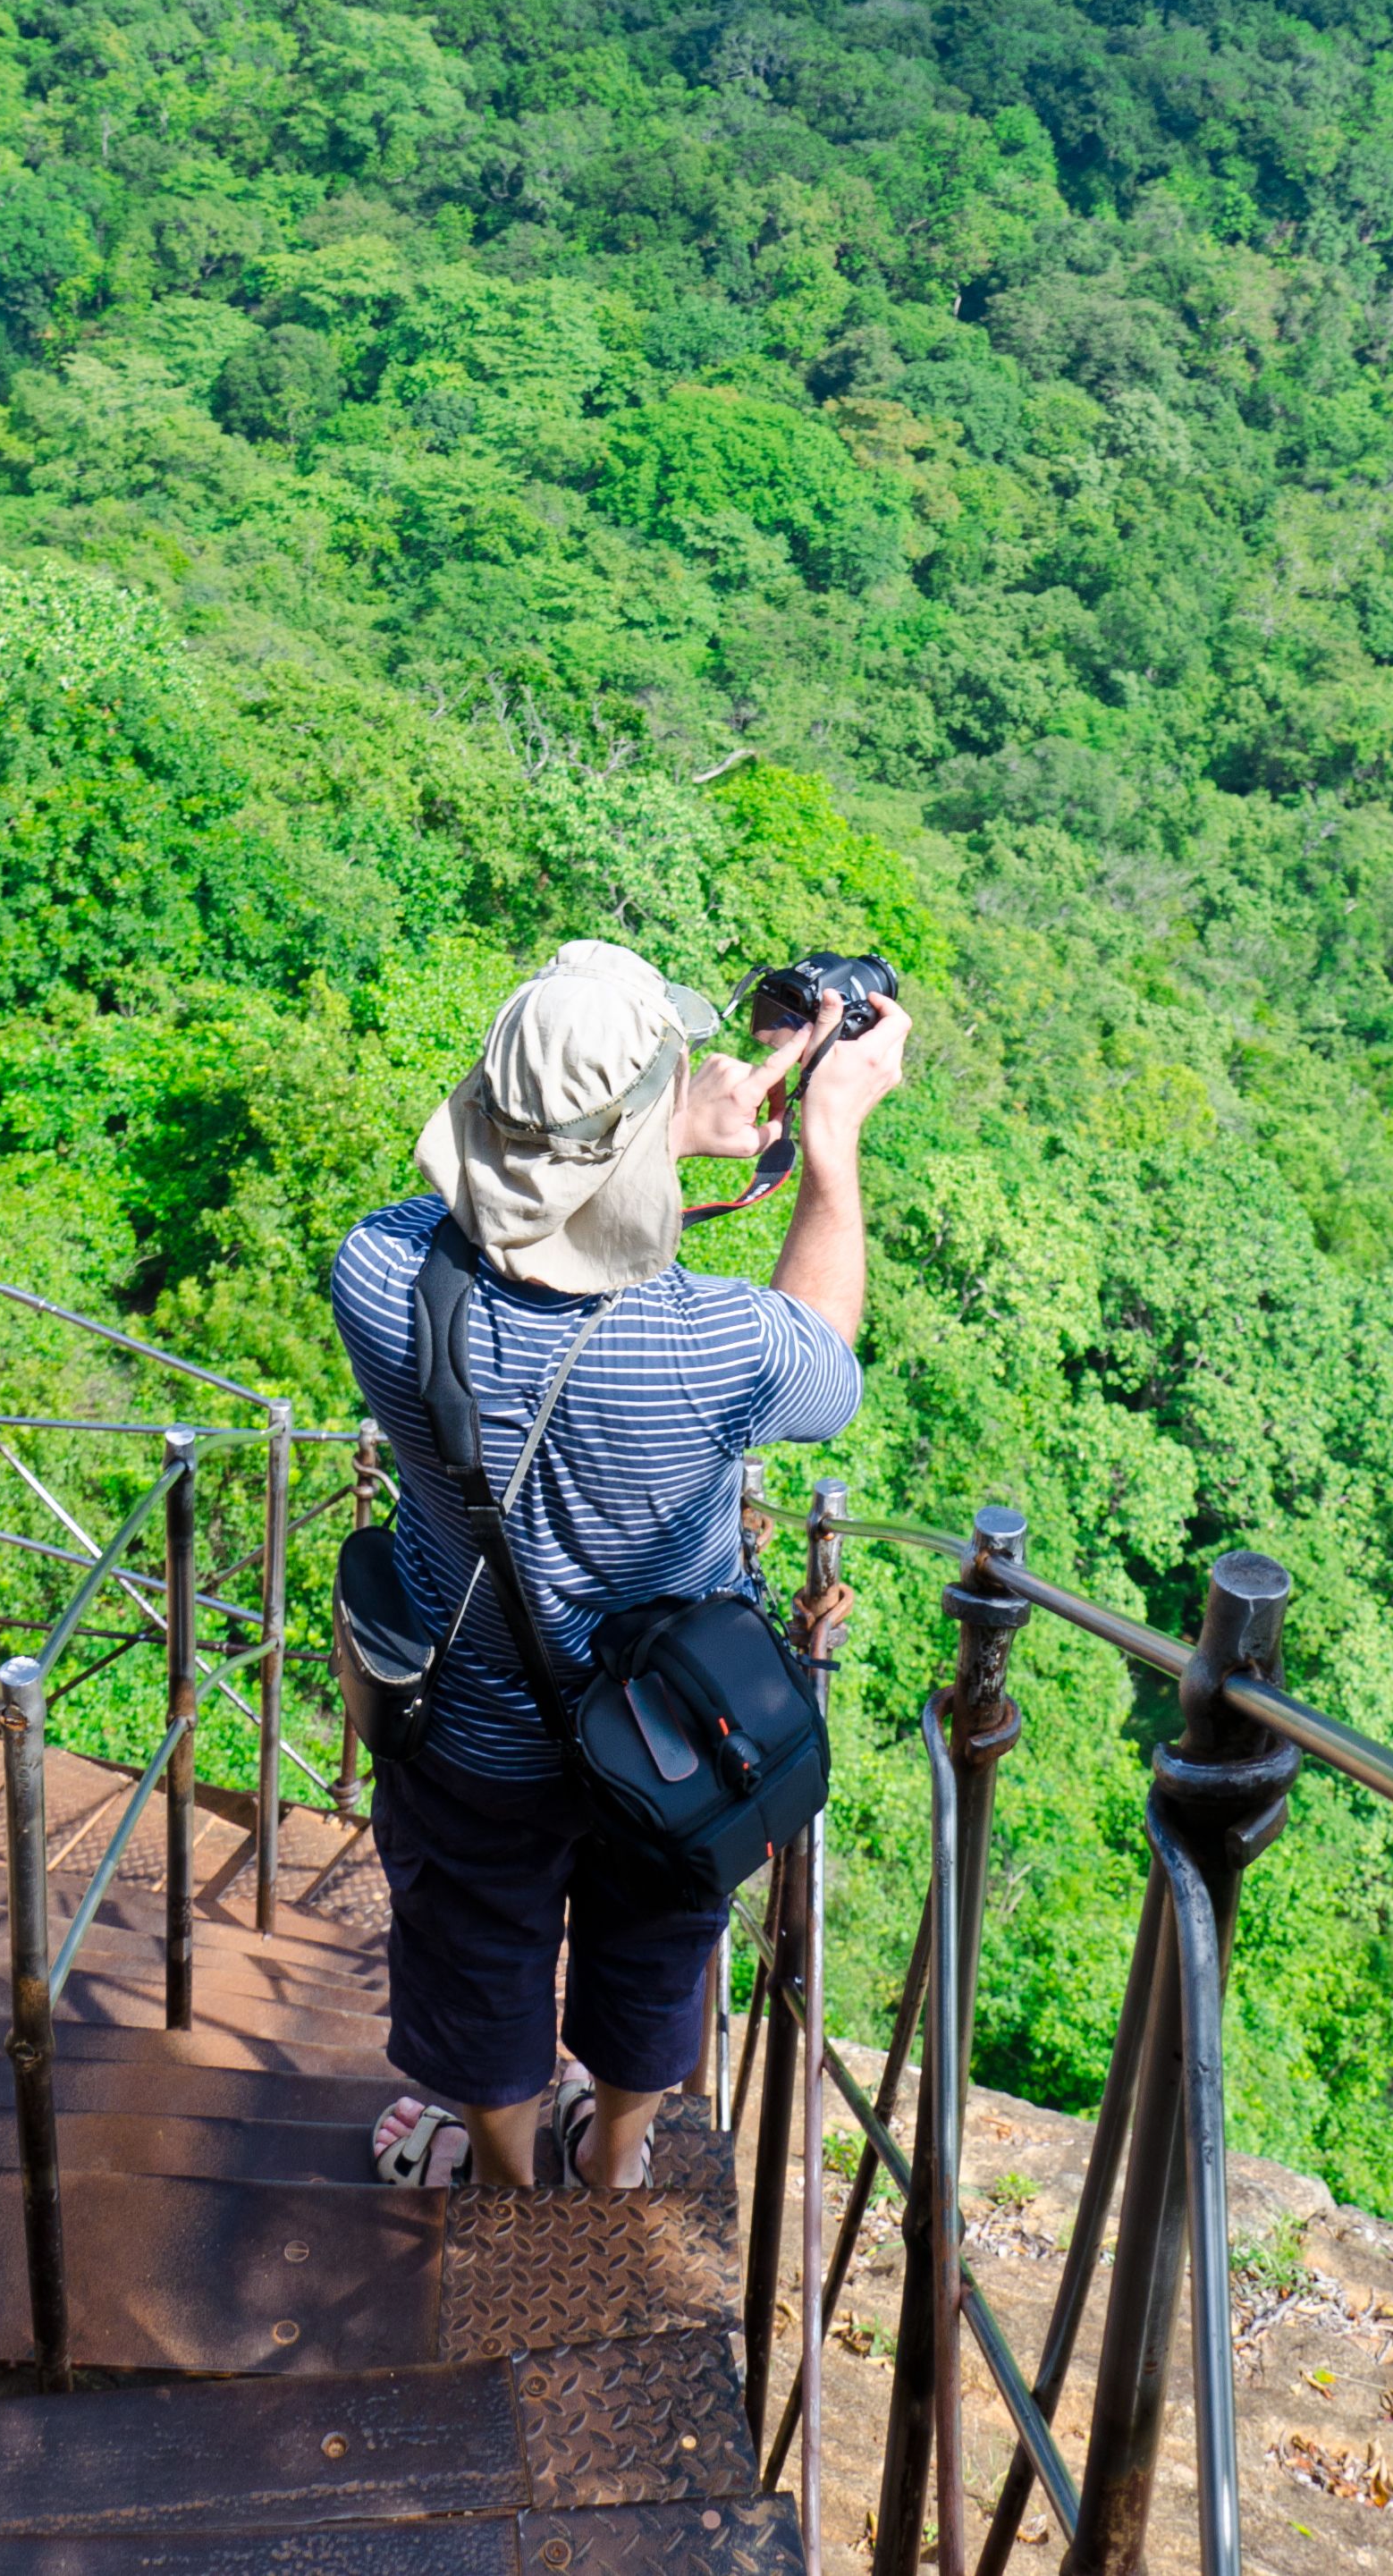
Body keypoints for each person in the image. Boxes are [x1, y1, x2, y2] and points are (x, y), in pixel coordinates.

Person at [329, 933, 910, 2201]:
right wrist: (828, 1143)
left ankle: (503, 2170)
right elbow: (825, 1357)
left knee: (478, 1950)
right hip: (670, 1734)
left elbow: (504, 1243)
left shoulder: (374, 1273)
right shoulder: (714, 1345)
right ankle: (619, 2149)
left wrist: (633, 1144)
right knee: (653, 1946)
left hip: (467, 1733)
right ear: (641, 1133)